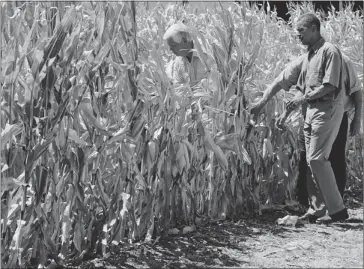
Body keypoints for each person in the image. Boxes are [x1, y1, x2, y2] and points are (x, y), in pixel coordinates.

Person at [250, 13, 351, 223]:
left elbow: (330, 86)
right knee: (310, 161)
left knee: (317, 158)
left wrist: (302, 99)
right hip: (310, 112)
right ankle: (317, 210)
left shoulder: (329, 52)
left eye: (301, 31)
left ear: (314, 28)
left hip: (327, 109)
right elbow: (290, 84)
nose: (298, 35)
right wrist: (271, 108)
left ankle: (338, 210)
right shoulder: (307, 58)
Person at [276, 55, 362, 208]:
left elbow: (356, 92)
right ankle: (303, 203)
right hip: (310, 117)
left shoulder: (343, 62)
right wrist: (284, 115)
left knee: (335, 159)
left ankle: (335, 205)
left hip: (336, 116)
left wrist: (356, 120)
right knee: (304, 158)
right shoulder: (306, 62)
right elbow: (300, 93)